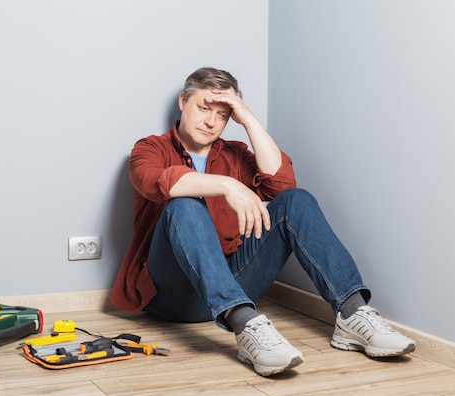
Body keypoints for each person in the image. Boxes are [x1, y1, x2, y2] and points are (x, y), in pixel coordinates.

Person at [110, 67, 415, 377]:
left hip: (233, 285)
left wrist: (248, 119)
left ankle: (352, 313)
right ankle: (246, 327)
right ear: (183, 101)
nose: (211, 121)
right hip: (172, 295)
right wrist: (228, 185)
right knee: (184, 205)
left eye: (223, 115)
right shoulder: (149, 148)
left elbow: (281, 186)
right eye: (203, 107)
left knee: (296, 200)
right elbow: (156, 182)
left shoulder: (234, 154)